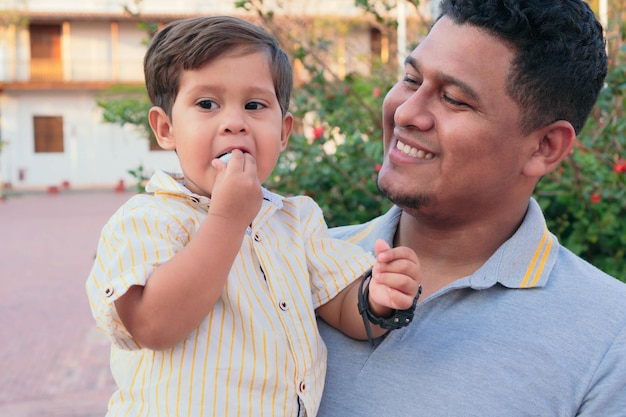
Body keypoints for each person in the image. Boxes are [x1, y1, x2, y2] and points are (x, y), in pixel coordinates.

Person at [85, 16, 421, 417]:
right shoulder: (147, 220)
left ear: (283, 131)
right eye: (206, 104)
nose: (234, 123)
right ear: (166, 128)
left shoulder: (296, 220)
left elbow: (340, 305)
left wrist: (376, 300)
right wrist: (228, 220)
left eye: (254, 105)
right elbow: (153, 325)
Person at [317, 0, 626, 416]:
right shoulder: (291, 262)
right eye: (410, 79)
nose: (406, 112)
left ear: (544, 147)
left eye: (454, 99)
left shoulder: (610, 338)